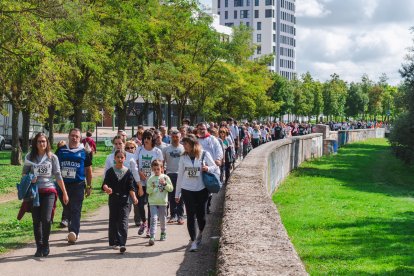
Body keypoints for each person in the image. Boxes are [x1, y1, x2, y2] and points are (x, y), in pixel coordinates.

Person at [22, 133, 69, 257]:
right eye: (39, 141)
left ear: (47, 143)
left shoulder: (52, 157)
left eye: (43, 141)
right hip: (34, 192)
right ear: (35, 143)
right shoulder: (29, 157)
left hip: (49, 191)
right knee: (36, 220)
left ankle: (46, 244)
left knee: (47, 219)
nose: (41, 144)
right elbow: (24, 174)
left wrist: (64, 193)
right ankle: (39, 246)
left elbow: (58, 175)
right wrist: (30, 178)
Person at [175, 134, 219, 252]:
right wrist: (177, 193)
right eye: (183, 144)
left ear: (193, 144)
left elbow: (215, 167)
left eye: (186, 144)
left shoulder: (204, 154)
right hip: (187, 189)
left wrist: (207, 169)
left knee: (201, 216)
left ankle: (200, 234)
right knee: (190, 215)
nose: (184, 146)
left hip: (201, 189)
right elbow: (180, 176)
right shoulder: (183, 157)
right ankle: (193, 241)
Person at [56, 128, 93, 245]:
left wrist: (89, 186)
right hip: (63, 185)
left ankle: (74, 232)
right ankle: (72, 230)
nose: (74, 138)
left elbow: (88, 170)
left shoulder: (84, 152)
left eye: (77, 136)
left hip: (78, 184)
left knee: (76, 209)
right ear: (68, 136)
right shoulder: (61, 150)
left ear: (80, 138)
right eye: (72, 135)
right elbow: (54, 166)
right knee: (67, 208)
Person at [102, 149, 138, 254]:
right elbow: (105, 184)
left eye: (122, 157)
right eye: (118, 157)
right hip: (113, 199)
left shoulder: (128, 172)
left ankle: (122, 243)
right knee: (114, 220)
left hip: (125, 200)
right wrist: (106, 189)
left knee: (123, 221)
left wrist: (134, 197)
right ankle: (114, 242)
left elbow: (131, 187)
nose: (120, 159)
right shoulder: (110, 171)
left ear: (125, 158)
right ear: (114, 158)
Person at [104, 137, 142, 227]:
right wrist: (106, 186)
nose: (118, 146)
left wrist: (139, 186)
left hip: (128, 187)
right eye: (116, 144)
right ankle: (118, 226)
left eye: (120, 143)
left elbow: (135, 172)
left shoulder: (131, 157)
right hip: (114, 189)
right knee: (115, 210)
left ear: (124, 144)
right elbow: (106, 173)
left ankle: (124, 225)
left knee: (126, 209)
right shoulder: (109, 158)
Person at [135, 130, 164, 237]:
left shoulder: (157, 151)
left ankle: (150, 228)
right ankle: (144, 222)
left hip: (153, 182)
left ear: (153, 139)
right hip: (141, 181)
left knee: (151, 205)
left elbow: (161, 168)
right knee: (140, 204)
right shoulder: (139, 150)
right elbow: (135, 164)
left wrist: (161, 181)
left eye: (148, 138)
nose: (146, 140)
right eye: (144, 138)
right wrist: (139, 173)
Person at [146, 160, 173, 245]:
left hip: (162, 202)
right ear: (152, 169)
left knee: (162, 219)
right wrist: (152, 188)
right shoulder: (151, 178)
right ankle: (152, 235)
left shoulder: (165, 177)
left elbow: (171, 189)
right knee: (153, 218)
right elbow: (148, 191)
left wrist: (164, 184)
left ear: (162, 168)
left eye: (158, 169)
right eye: (154, 169)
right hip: (153, 202)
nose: (156, 171)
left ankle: (163, 232)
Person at [163, 130, 185, 224]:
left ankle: (180, 216)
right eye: (173, 137)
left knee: (180, 195)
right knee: (171, 196)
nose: (175, 139)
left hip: (181, 174)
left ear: (180, 138)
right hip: (170, 174)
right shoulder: (166, 149)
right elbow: (162, 162)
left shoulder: (184, 148)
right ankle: (173, 215)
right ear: (171, 137)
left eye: (177, 137)